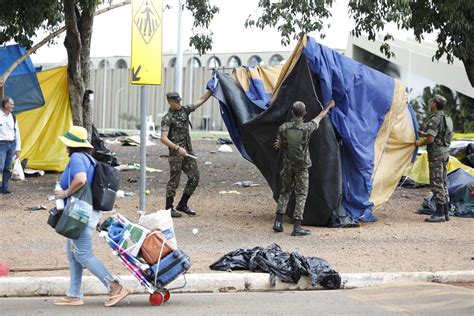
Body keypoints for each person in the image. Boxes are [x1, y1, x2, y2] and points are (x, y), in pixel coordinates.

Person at [54, 126, 129, 307]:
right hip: (86, 211)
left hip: (79, 214)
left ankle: (114, 286)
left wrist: (64, 193)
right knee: (73, 253)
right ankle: (74, 294)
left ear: (71, 145)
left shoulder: (77, 158)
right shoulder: (89, 159)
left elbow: (80, 179)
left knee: (84, 254)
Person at [273, 100, 335, 236]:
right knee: (301, 195)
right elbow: (320, 117)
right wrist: (329, 106)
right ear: (305, 114)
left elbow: (281, 143)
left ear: (292, 113)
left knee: (285, 191)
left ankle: (278, 222)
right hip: (302, 166)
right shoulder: (308, 128)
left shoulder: (283, 128)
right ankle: (296, 227)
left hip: (288, 165)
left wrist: (281, 144)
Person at [160, 90, 212, 218]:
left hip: (188, 152)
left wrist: (211, 91)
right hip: (176, 154)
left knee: (194, 177)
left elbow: (200, 100)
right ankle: (168, 209)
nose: (179, 103)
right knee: (174, 181)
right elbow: (163, 138)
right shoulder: (167, 118)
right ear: (170, 102)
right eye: (176, 102)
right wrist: (177, 148)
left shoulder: (184, 110)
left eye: (180, 101)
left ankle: (183, 204)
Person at [415, 95, 451, 223]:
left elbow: (431, 140)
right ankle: (445, 213)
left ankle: (439, 213)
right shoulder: (445, 117)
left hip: (436, 155)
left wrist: (419, 143)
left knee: (436, 183)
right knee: (443, 183)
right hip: (444, 153)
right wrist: (425, 134)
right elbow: (437, 135)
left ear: (435, 103)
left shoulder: (435, 119)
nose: (430, 104)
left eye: (431, 102)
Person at [0, 97, 21, 194]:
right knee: (0, 167)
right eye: (11, 104)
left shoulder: (13, 117)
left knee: (8, 168)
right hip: (2, 144)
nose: (13, 106)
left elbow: (17, 133)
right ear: (5, 105)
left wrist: (18, 147)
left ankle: (4, 187)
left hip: (11, 144)